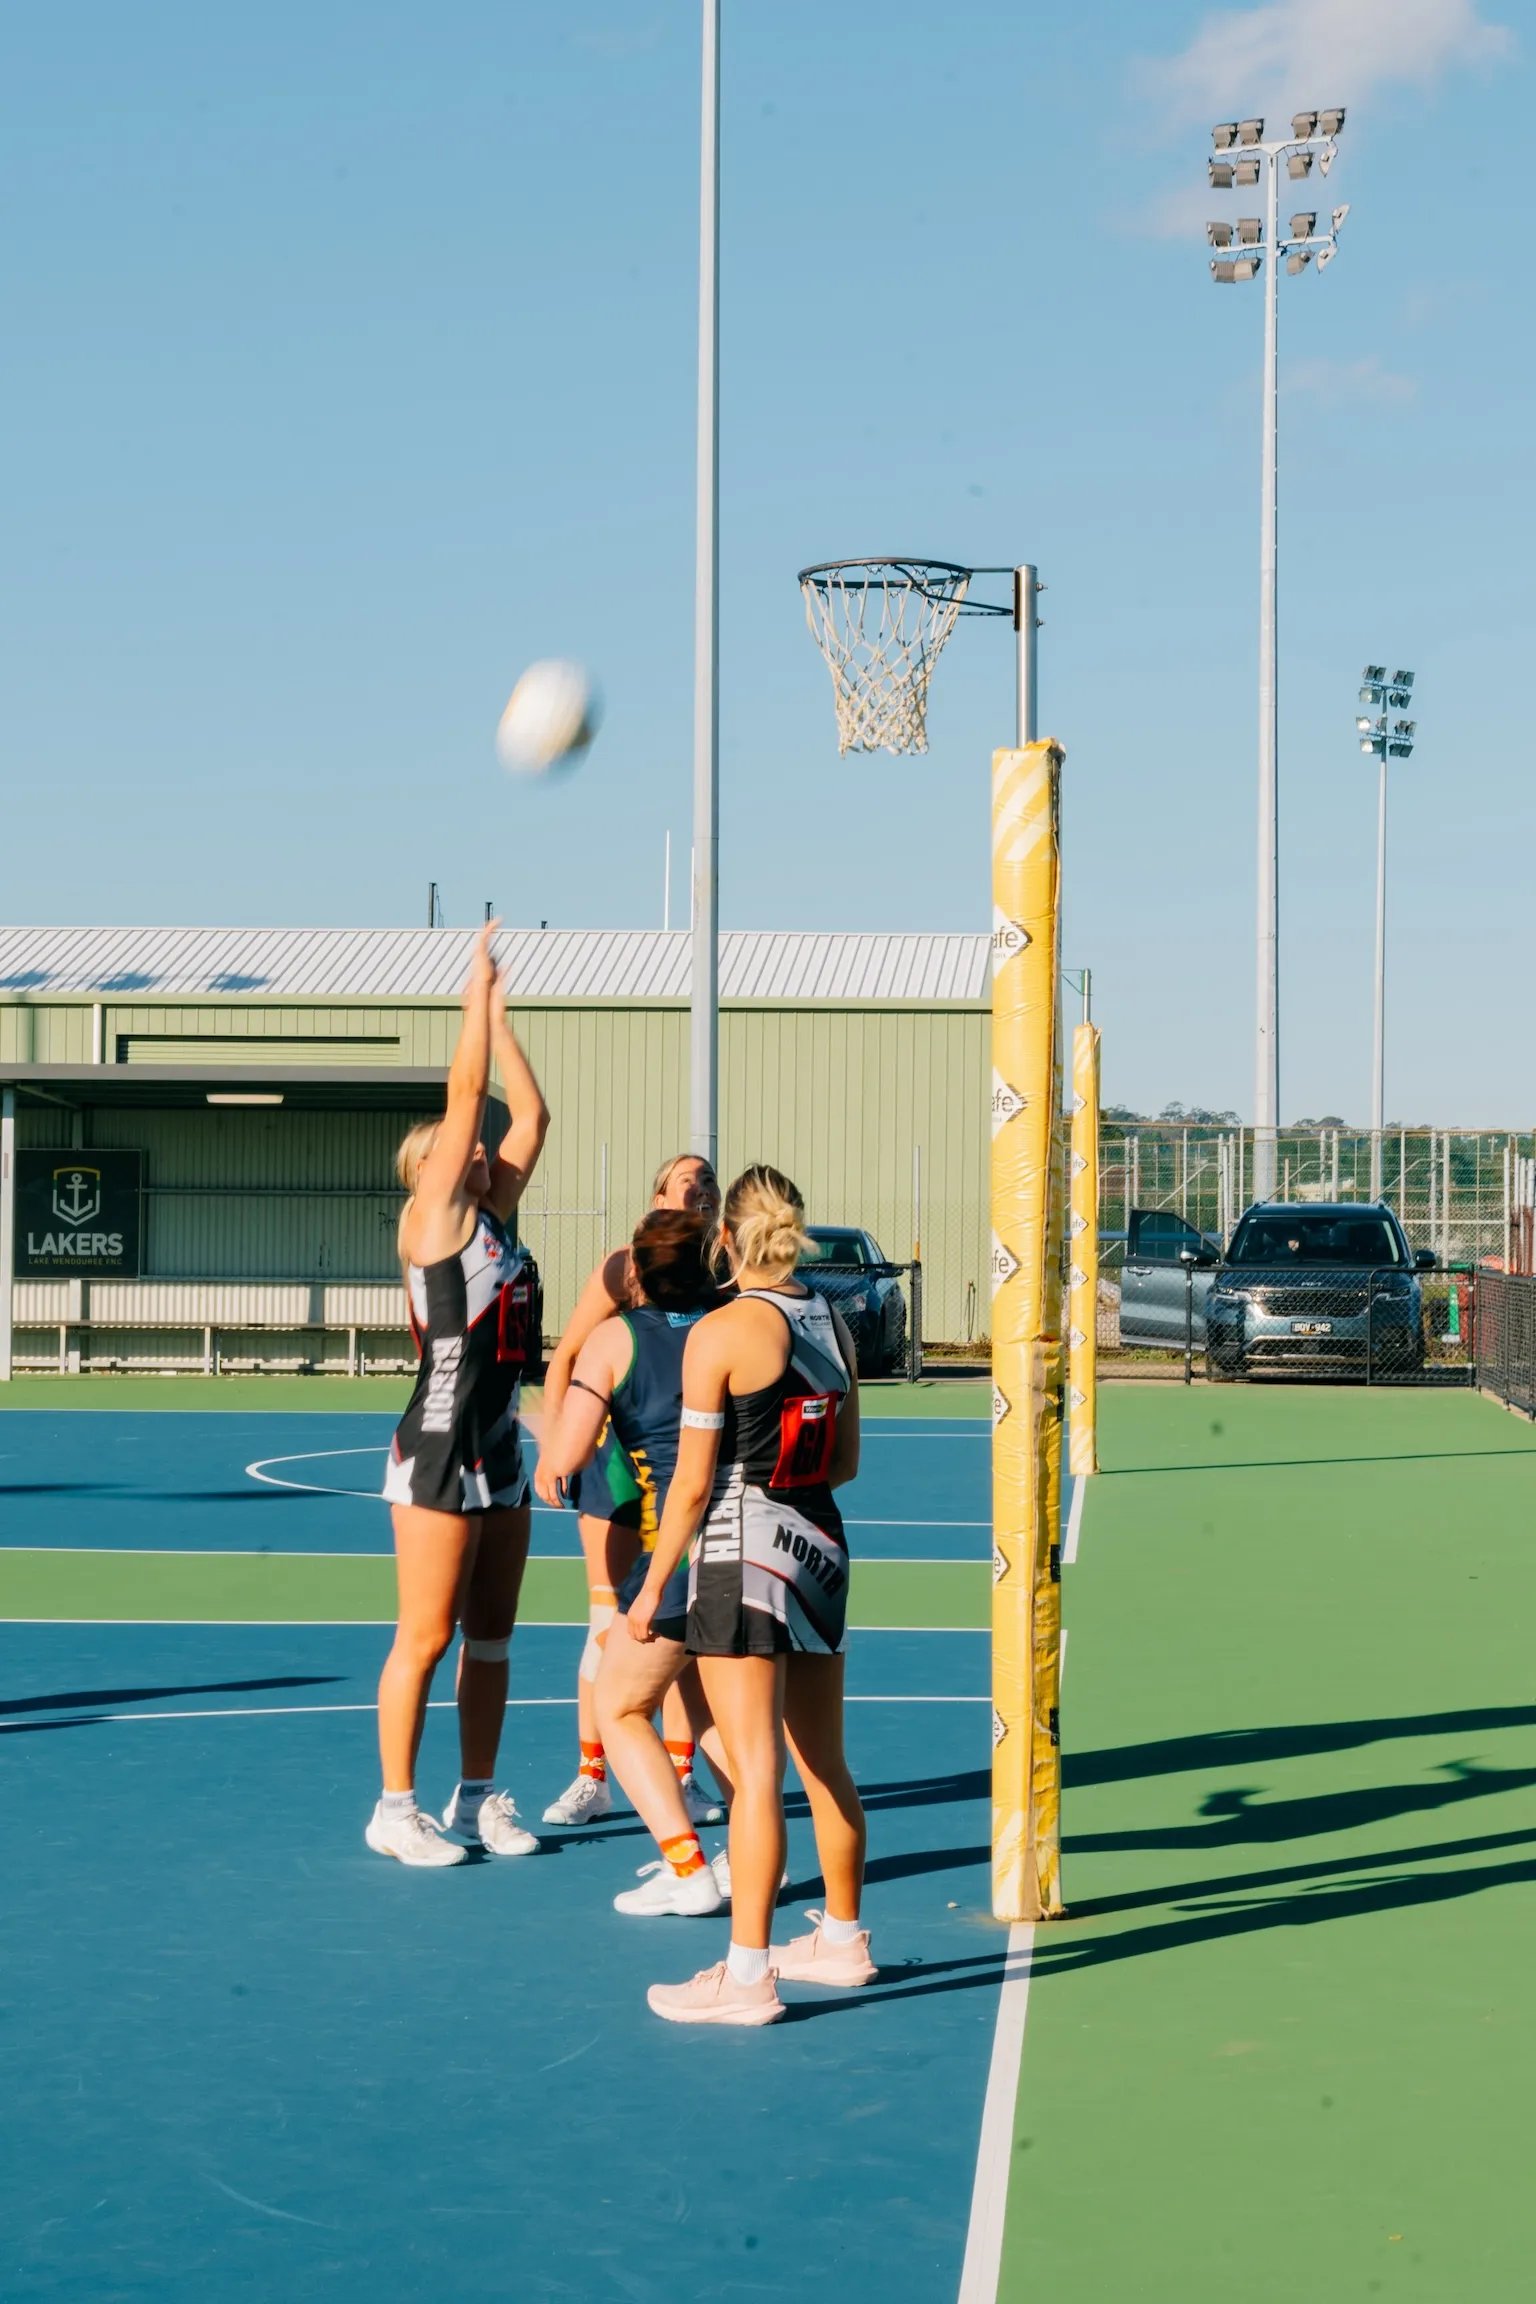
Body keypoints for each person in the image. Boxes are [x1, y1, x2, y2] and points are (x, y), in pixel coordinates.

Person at [629, 1165, 875, 2026]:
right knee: (825, 1763)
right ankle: (843, 1939)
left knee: (757, 1773)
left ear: (724, 1239)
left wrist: (652, 1589)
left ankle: (746, 1976)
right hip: (821, 1547)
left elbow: (691, 1487)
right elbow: (844, 1462)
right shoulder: (832, 1321)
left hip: (741, 1554)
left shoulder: (723, 1331)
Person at [366, 921, 550, 1867]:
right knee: (427, 1634)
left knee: (492, 1638)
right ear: (434, 1168)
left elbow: (532, 1117)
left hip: (501, 1449)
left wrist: (506, 1017)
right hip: (439, 1443)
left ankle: (477, 1795)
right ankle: (394, 1807)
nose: (482, 1149)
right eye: (460, 1145)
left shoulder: (494, 1218)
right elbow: (470, 1095)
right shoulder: (434, 1219)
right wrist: (472, 997)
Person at [540, 1208, 737, 1916]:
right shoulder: (739, 1324)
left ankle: (687, 1870)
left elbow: (563, 1462)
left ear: (634, 1275)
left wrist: (551, 1454)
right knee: (719, 1715)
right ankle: (753, 1860)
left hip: (677, 1556)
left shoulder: (613, 1340)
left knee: (619, 1705)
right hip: (756, 1546)